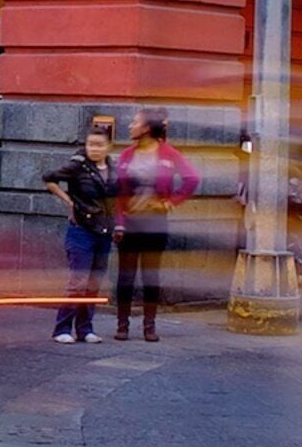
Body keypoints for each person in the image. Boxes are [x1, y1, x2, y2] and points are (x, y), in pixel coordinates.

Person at [110, 110, 199, 340]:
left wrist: (170, 203)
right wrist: (119, 224)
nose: (130, 125)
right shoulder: (127, 156)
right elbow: (118, 194)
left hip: (155, 223)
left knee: (151, 276)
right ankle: (122, 325)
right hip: (129, 223)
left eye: (135, 122)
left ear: (147, 128)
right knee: (125, 276)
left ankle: (149, 326)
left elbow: (192, 179)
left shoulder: (168, 154)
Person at [43, 113, 117, 344]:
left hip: (103, 231)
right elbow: (49, 178)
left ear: (108, 147)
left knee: (94, 282)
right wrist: (69, 201)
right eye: (90, 145)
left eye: (99, 145)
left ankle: (85, 329)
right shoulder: (78, 166)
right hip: (81, 229)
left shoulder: (113, 168)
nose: (94, 149)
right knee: (78, 281)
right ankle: (62, 329)